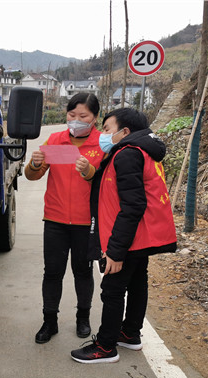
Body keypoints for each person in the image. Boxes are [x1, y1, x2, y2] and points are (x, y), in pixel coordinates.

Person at [71, 107, 177, 363]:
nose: (103, 134)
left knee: (113, 289)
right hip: (141, 235)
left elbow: (132, 205)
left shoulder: (128, 154)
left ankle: (105, 347)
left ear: (125, 131)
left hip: (128, 238)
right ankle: (130, 333)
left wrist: (116, 251)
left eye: (108, 129)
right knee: (138, 283)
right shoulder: (142, 151)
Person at [25, 93, 106, 344]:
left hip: (86, 222)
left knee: (83, 272)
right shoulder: (55, 140)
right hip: (55, 220)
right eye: (72, 115)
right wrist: (34, 164)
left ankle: (83, 317)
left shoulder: (102, 144)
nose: (76, 120)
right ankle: (49, 321)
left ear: (95, 118)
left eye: (83, 116)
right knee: (52, 272)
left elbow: (107, 183)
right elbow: (32, 176)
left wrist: (89, 172)